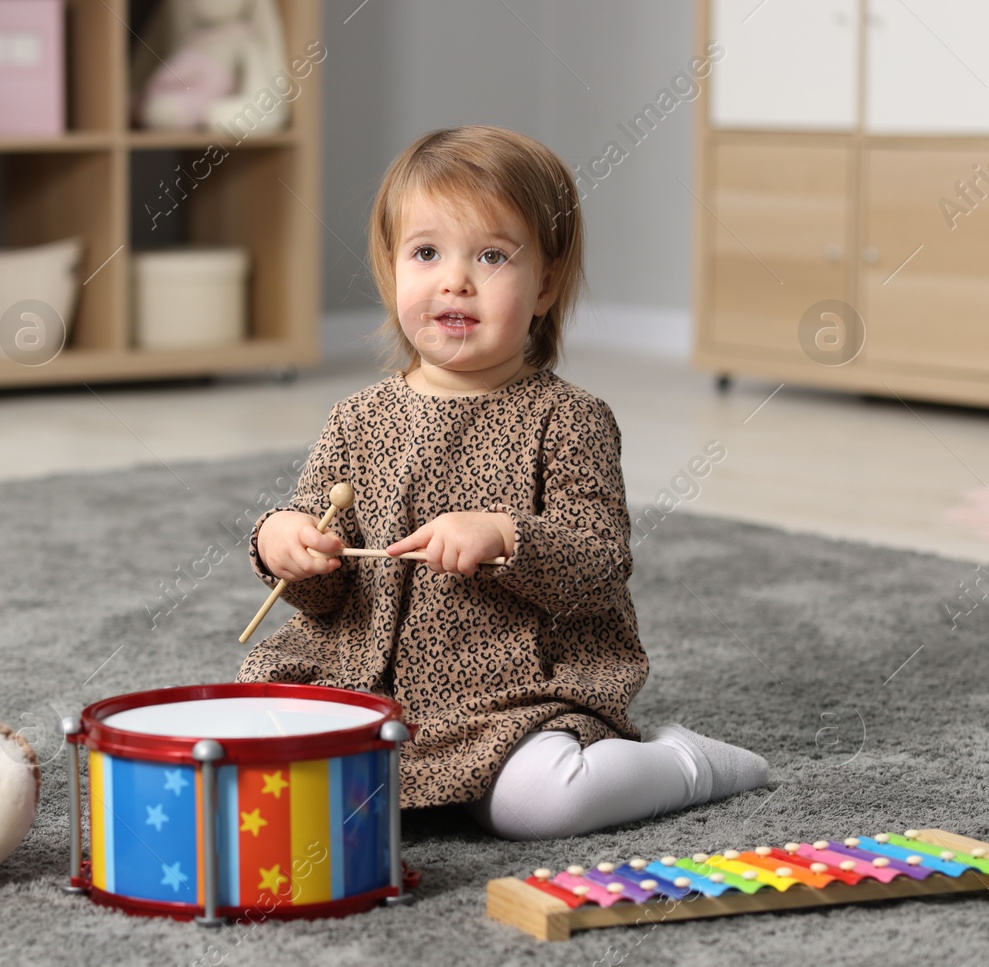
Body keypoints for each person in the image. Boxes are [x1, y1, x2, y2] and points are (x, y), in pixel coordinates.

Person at [237, 125, 768, 839]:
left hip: (511, 694)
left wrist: (506, 535)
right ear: (393, 269)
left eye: (492, 255)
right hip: (354, 680)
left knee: (540, 804)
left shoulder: (569, 419)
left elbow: (599, 558)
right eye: (426, 253)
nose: (455, 279)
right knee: (247, 750)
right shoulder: (355, 418)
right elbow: (324, 573)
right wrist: (286, 544)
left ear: (545, 283)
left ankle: (682, 763)